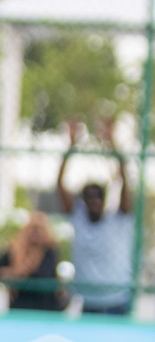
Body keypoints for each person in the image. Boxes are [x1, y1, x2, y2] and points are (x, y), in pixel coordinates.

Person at [57, 120, 136, 316]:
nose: (94, 201)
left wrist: (113, 144)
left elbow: (126, 182)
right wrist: (70, 147)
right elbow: (59, 185)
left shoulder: (118, 219)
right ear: (84, 200)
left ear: (104, 199)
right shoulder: (79, 219)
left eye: (98, 196)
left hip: (117, 300)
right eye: (90, 197)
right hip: (88, 301)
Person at [0, 212, 65, 312]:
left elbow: (44, 276)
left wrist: (19, 273)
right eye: (33, 229)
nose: (36, 233)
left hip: (44, 309)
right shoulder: (14, 250)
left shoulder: (49, 251)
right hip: (19, 309)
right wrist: (7, 272)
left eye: (40, 229)